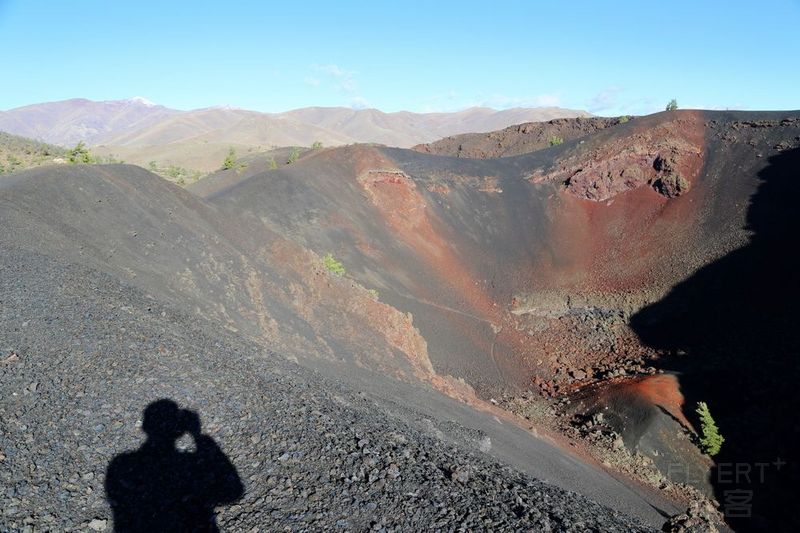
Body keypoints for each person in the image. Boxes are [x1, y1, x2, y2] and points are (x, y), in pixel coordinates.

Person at [106, 399, 244, 532]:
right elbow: (233, 492)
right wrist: (198, 436)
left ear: (145, 427)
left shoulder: (121, 464)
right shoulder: (190, 463)